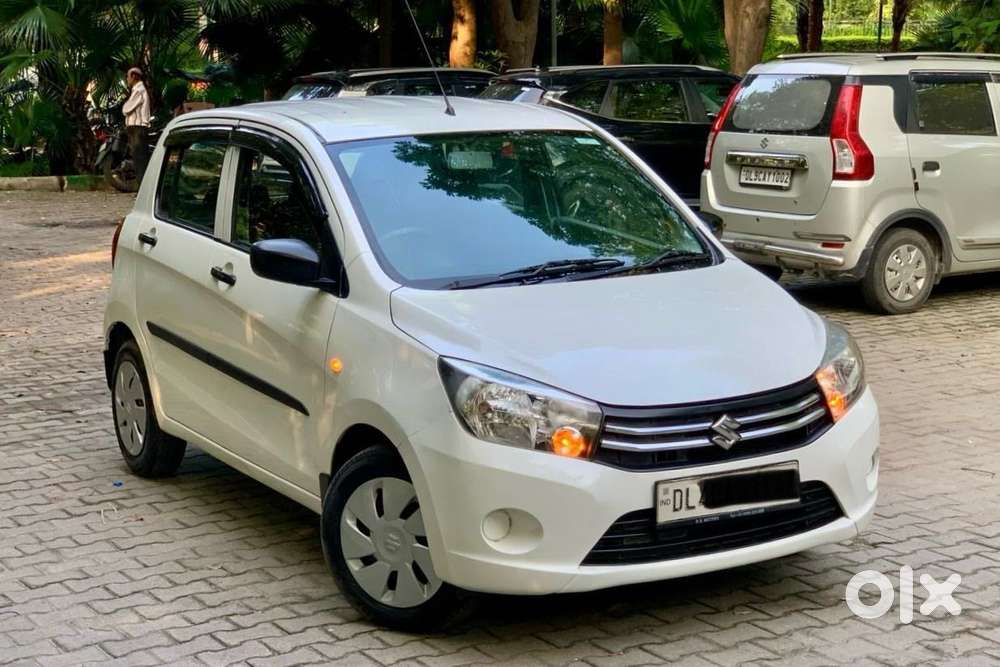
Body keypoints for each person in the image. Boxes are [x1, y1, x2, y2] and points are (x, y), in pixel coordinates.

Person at [122, 67, 151, 186]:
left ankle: (142, 189)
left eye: (128, 76)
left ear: (133, 76)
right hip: (136, 129)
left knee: (140, 160)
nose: (127, 79)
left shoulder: (139, 90)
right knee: (139, 159)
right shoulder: (137, 89)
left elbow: (126, 109)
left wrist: (124, 108)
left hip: (138, 128)